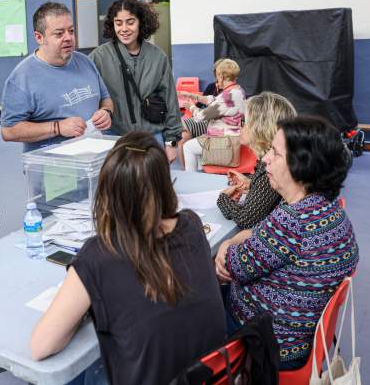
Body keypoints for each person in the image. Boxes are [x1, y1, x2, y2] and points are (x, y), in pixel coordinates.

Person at [30, 131, 227, 385]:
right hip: (207, 375)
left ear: (108, 192)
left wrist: (82, 312)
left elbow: (41, 346)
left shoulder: (99, 255)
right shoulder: (191, 225)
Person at [214, 116, 359, 370]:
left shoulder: (291, 221)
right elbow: (256, 233)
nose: (266, 158)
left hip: (272, 344)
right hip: (300, 333)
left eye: (275, 153)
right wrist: (241, 238)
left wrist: (225, 246)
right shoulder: (325, 206)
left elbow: (230, 266)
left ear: (301, 166)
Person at [1, 2, 113, 152]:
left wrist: (106, 112)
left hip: (92, 159)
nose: (68, 38)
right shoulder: (21, 78)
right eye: (59, 34)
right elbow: (8, 131)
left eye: (71, 31)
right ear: (39, 37)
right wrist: (57, 128)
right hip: (53, 168)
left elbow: (106, 99)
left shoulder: (86, 62)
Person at [89, 0, 182, 163]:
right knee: (120, 188)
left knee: (153, 187)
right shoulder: (99, 57)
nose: (124, 29)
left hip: (152, 138)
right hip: (115, 139)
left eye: (130, 22)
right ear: (113, 25)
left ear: (141, 22)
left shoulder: (157, 57)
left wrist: (171, 142)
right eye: (118, 23)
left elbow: (170, 102)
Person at [217, 92, 297, 231]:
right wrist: (251, 182)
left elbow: (245, 218)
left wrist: (223, 198)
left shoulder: (270, 170)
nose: (240, 127)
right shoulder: (277, 163)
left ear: (260, 128)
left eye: (244, 122)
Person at [182, 59, 246, 171]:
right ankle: (198, 174)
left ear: (221, 77)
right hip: (231, 139)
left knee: (187, 147)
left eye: (217, 76)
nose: (217, 79)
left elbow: (200, 116)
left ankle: (191, 177)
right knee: (195, 147)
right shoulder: (238, 90)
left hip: (224, 142)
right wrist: (193, 96)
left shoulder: (227, 97)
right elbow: (214, 100)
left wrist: (192, 107)